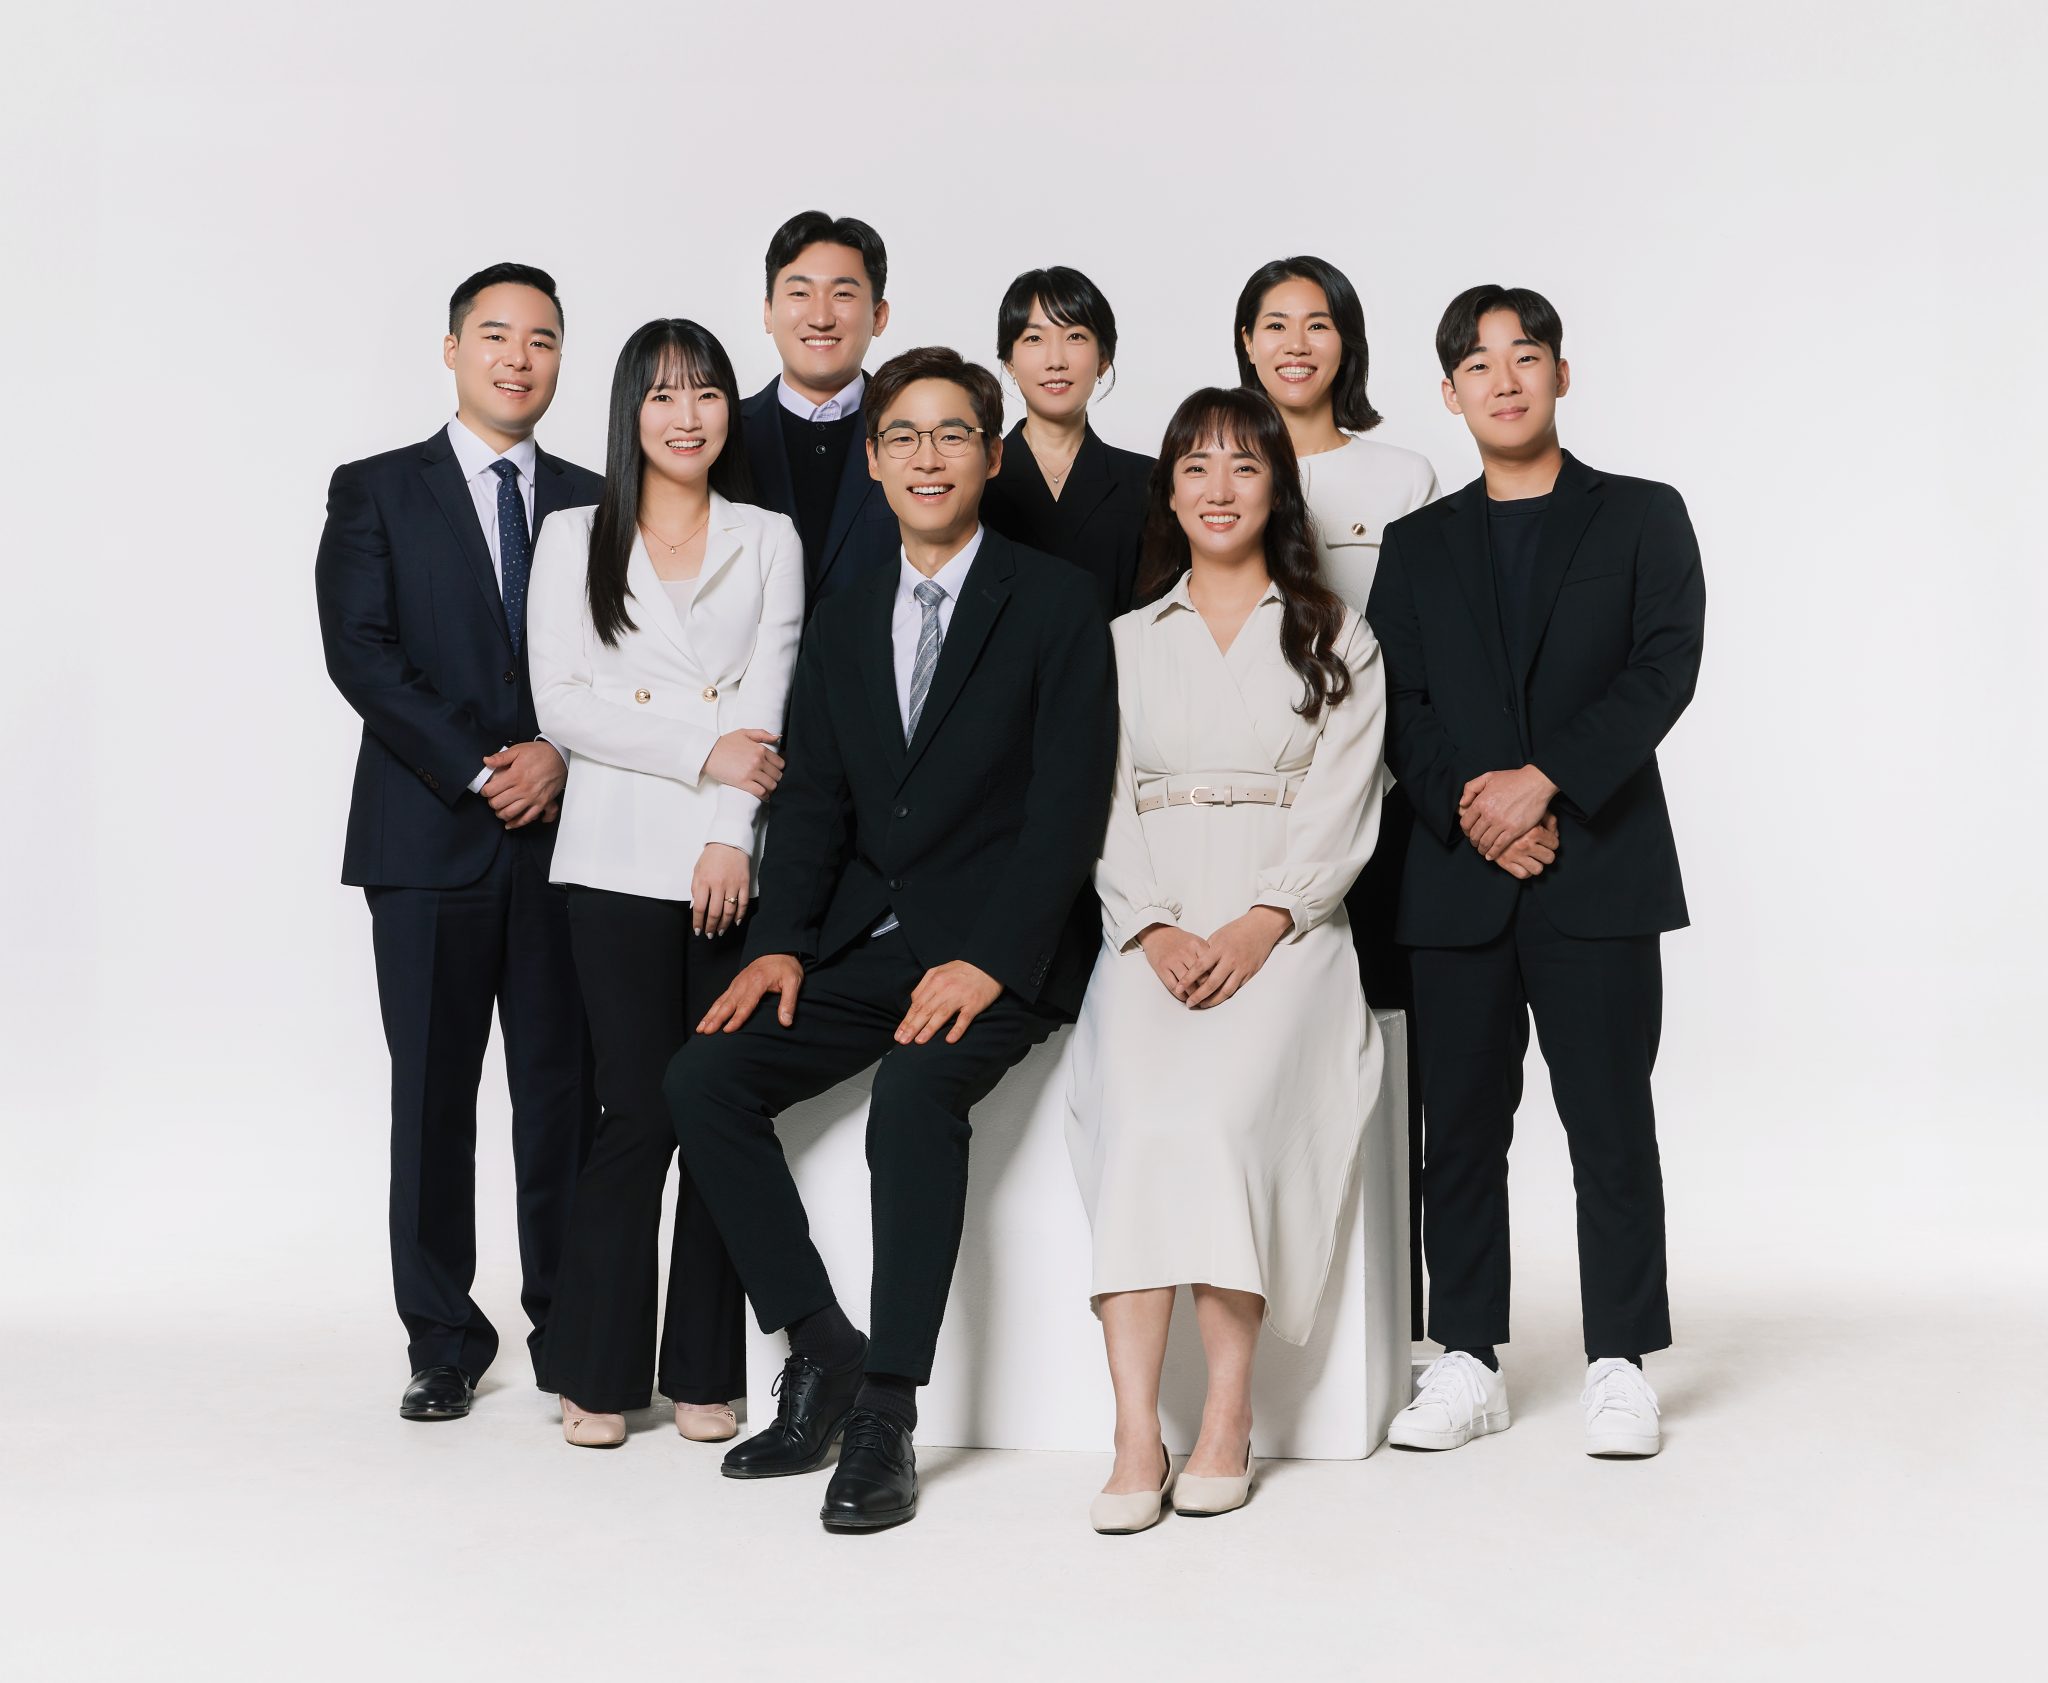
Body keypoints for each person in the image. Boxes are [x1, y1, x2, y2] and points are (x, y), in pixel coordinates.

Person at [665, 346, 1116, 1532]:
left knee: (914, 1097)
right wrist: (780, 943)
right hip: (869, 941)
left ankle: (886, 1410)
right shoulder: (848, 613)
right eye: (903, 436)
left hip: (1005, 950)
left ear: (991, 455)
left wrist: (992, 958)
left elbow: (1067, 808)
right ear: (872, 461)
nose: (927, 456)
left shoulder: (1056, 602)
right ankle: (821, 1345)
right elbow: (815, 801)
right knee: (703, 1076)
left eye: (952, 434)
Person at [1366, 285, 1704, 1459]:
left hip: (1597, 869)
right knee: (1456, 1134)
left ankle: (1619, 1361)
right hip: (1455, 880)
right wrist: (1482, 811)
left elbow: (1662, 668)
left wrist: (1544, 783)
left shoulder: (1641, 516)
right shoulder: (1416, 546)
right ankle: (1465, 1358)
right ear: (1447, 391)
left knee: (1607, 1124)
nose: (1501, 379)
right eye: (1476, 363)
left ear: (1561, 373)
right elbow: (1396, 702)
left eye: (1523, 356)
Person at [1065, 387, 1389, 1533]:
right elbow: (1097, 804)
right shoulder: (1121, 642)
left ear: (1275, 490)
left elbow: (1343, 805)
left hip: (1287, 932)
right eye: (1194, 467)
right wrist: (1151, 926)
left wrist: (1264, 922)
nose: (1217, 488)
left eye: (1243, 466)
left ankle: (1226, 1416)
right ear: (1166, 492)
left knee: (1218, 1120)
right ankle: (1132, 1433)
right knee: (1142, 1122)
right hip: (1149, 927)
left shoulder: (1335, 636)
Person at [315, 262, 601, 1422]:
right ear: (451, 350)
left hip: (567, 846)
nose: (517, 358)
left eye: (541, 339)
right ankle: (441, 1338)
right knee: (431, 1098)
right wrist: (490, 766)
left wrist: (560, 754)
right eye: (494, 335)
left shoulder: (596, 499)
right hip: (427, 843)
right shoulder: (377, 489)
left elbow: (628, 660)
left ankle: (573, 1329)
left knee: (561, 1097)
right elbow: (361, 652)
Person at [525, 319, 804, 1448]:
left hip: (728, 854)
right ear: (630, 411)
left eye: (706, 394)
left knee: (712, 1103)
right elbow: (561, 703)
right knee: (635, 1108)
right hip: (612, 856)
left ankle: (702, 1368)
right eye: (663, 396)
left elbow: (767, 701)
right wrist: (701, 748)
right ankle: (595, 1369)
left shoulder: (768, 536)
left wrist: (731, 832)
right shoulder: (571, 534)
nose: (687, 417)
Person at [1237, 254, 1441, 1337]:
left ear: (1346, 343)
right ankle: (1280, 1309)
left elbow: (1425, 651)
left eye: (1317, 324)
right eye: (1273, 324)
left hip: (1386, 805)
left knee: (1397, 1056)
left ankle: (1397, 1318)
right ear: (1245, 342)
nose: (1295, 344)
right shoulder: (1218, 469)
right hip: (1254, 816)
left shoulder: (1399, 476)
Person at [738, 210, 899, 613]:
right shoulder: (721, 436)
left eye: (843, 294)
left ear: (878, 316)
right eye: (799, 293)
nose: (822, 318)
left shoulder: (916, 437)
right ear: (768, 312)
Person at [979, 266, 1153, 617]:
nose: (1055, 361)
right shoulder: (975, 478)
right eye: (1034, 339)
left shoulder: (1150, 482)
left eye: (1075, 336)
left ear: (1103, 358)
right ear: (1009, 360)